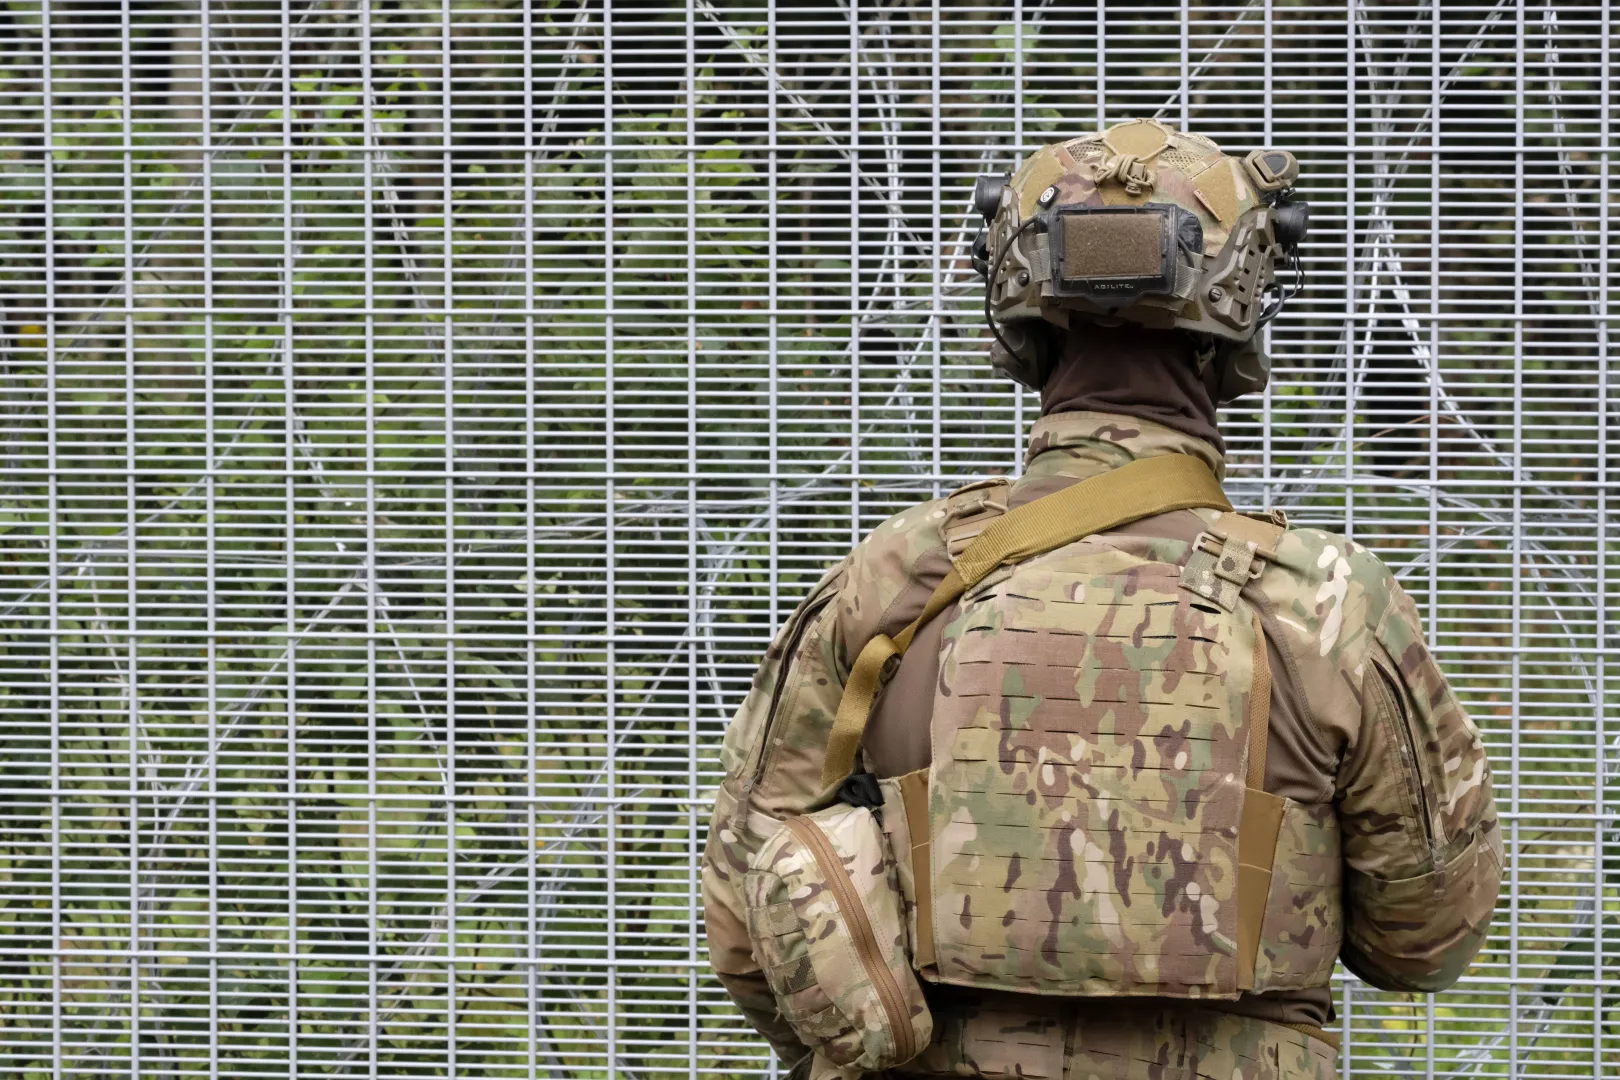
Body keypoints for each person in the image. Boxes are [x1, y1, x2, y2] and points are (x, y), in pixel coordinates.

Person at [703, 119, 1501, 1080]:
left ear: (1020, 318)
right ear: (1241, 322)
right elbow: (1425, 942)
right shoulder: (1324, 606)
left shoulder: (896, 582)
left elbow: (750, 922)